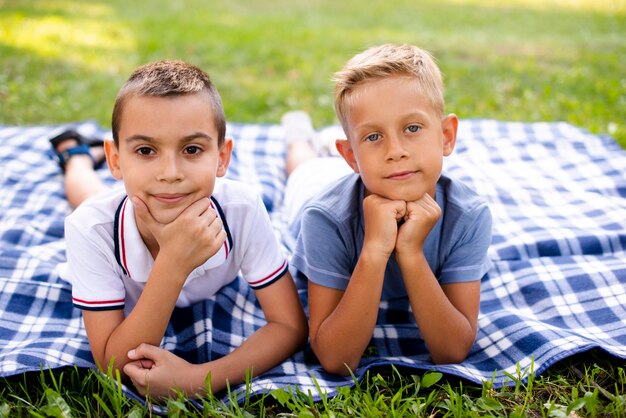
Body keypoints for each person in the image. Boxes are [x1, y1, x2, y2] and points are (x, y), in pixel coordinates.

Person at [53, 60, 308, 399]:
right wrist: (173, 262)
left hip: (139, 200)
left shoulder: (242, 208)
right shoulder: (90, 229)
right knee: (88, 197)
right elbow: (112, 364)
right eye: (145, 150)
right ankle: (76, 155)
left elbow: (290, 326)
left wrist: (200, 379)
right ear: (116, 160)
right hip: (108, 208)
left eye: (191, 149)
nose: (170, 173)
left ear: (221, 156)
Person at [282, 43, 492, 375]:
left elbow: (452, 350)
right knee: (302, 167)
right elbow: (336, 359)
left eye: (412, 128)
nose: (395, 151)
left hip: (365, 178)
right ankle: (298, 136)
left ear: (446, 136)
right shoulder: (323, 218)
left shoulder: (469, 215)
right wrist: (375, 249)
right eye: (374, 136)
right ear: (351, 156)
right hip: (314, 189)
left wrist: (410, 251)